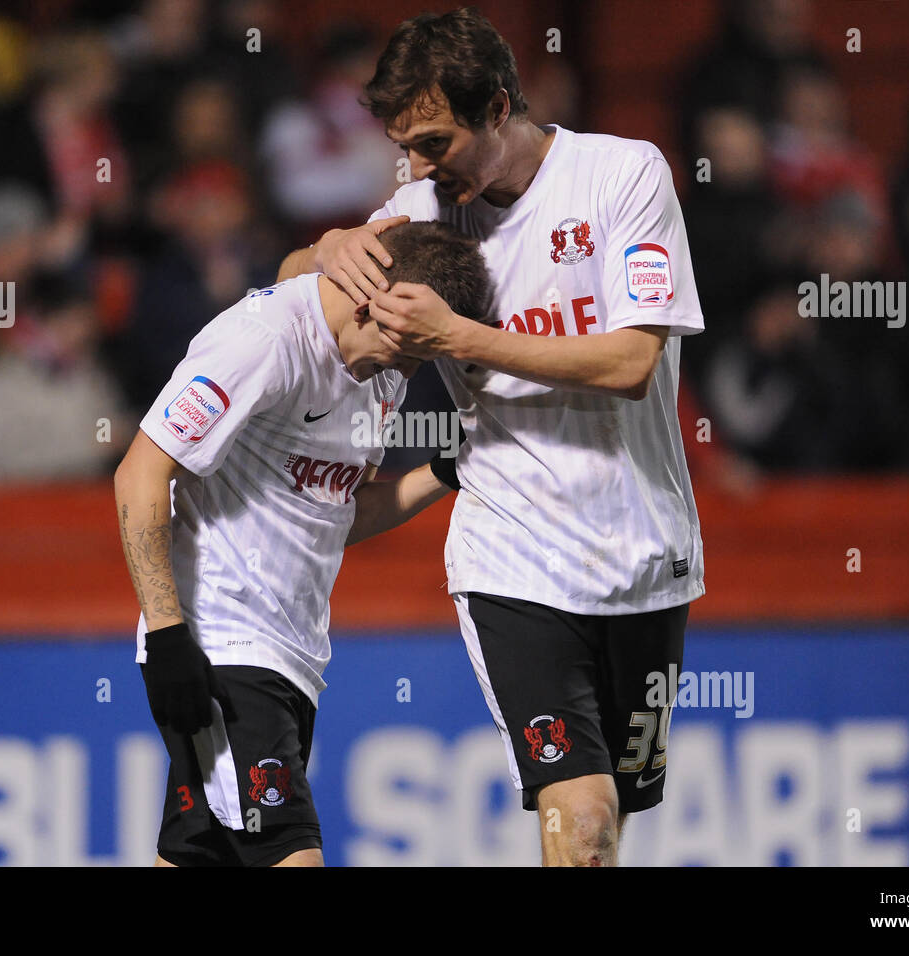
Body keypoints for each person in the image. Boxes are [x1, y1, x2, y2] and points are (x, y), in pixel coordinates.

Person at [277, 7, 705, 867]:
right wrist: (327, 248)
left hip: (643, 547)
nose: (418, 168)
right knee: (577, 812)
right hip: (514, 553)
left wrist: (460, 339)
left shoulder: (622, 177)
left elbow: (629, 362)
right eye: (405, 147)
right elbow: (287, 289)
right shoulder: (423, 206)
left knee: (609, 824)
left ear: (500, 108)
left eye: (435, 143)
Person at [114, 221, 491, 867]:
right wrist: (170, 634)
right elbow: (141, 470)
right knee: (292, 853)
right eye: (409, 350)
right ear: (377, 300)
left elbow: (339, 511)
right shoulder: (261, 343)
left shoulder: (386, 370)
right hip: (222, 646)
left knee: (198, 853)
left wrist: (445, 471)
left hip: (293, 657)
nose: (408, 369)